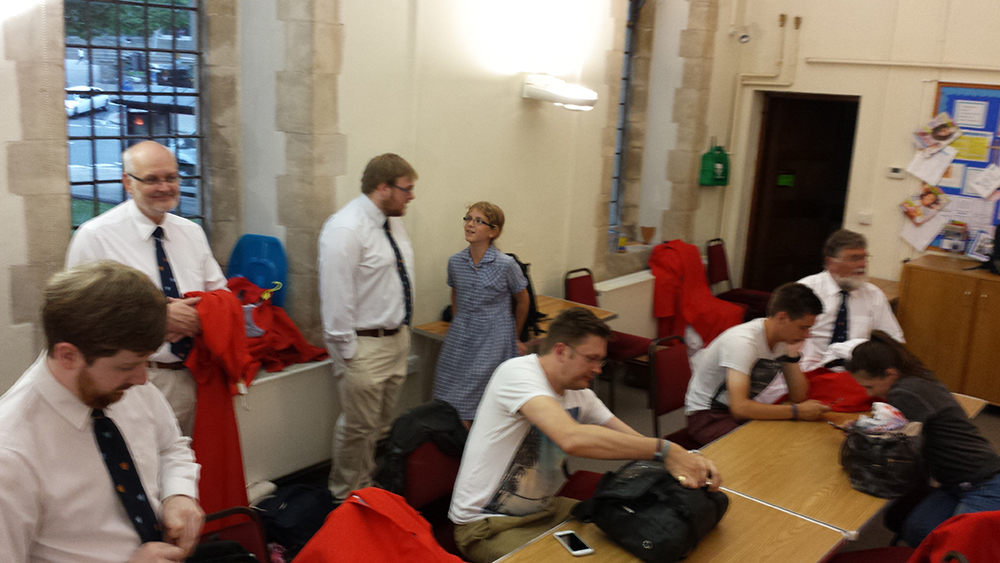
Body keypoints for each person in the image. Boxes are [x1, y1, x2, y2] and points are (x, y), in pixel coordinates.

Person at [449, 307, 721, 563]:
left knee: (633, 541)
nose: (598, 369)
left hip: (546, 512)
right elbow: (571, 438)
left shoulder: (581, 395)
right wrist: (665, 450)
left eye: (601, 360)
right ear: (561, 351)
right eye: (591, 359)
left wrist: (688, 458)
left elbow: (637, 443)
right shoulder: (516, 373)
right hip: (485, 526)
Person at [0, 260, 203, 563]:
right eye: (128, 366)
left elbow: (170, 446)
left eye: (144, 362)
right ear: (68, 355)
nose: (142, 380)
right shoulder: (11, 452)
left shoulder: (122, 383)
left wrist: (179, 494)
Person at [66, 140, 227, 436]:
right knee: (141, 472)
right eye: (152, 179)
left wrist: (197, 315)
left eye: (171, 177)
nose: (164, 187)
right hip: (130, 382)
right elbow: (78, 320)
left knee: (185, 470)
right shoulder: (95, 237)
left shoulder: (191, 233)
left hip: (191, 377)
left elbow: (221, 296)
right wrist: (158, 319)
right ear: (128, 182)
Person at [318, 153, 418, 501]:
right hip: (364, 345)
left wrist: (402, 333)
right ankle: (343, 495)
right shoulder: (346, 229)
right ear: (382, 187)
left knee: (379, 426)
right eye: (406, 189)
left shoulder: (392, 221)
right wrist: (348, 353)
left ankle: (366, 486)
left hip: (396, 339)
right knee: (359, 427)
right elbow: (335, 298)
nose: (412, 196)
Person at [848, 331, 1000, 547]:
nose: (867, 393)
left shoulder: (903, 394)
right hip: (957, 484)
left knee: (956, 548)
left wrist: (858, 432)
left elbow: (890, 444)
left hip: (983, 484)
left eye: (869, 386)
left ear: (890, 374)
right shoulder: (917, 378)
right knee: (917, 530)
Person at [684, 282, 831, 445]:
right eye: (803, 328)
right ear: (782, 318)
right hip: (708, 417)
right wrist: (796, 412)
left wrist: (791, 354)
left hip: (735, 414)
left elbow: (798, 395)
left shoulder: (781, 339)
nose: (807, 335)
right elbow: (740, 408)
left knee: (791, 441)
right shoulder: (743, 342)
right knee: (766, 450)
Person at [433, 202, 529, 427]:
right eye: (468, 218)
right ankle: (458, 451)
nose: (470, 224)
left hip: (494, 337)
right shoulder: (456, 262)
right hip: (462, 335)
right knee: (447, 391)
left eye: (478, 221)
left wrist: (513, 336)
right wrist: (460, 322)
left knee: (478, 402)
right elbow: (455, 294)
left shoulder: (506, 265)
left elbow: (523, 300)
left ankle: (473, 452)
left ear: (493, 232)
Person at [797, 229, 904, 373]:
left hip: (859, 375)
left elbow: (894, 341)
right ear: (831, 262)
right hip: (810, 370)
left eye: (864, 258)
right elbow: (785, 337)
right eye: (854, 258)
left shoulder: (874, 295)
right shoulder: (806, 290)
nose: (862, 264)